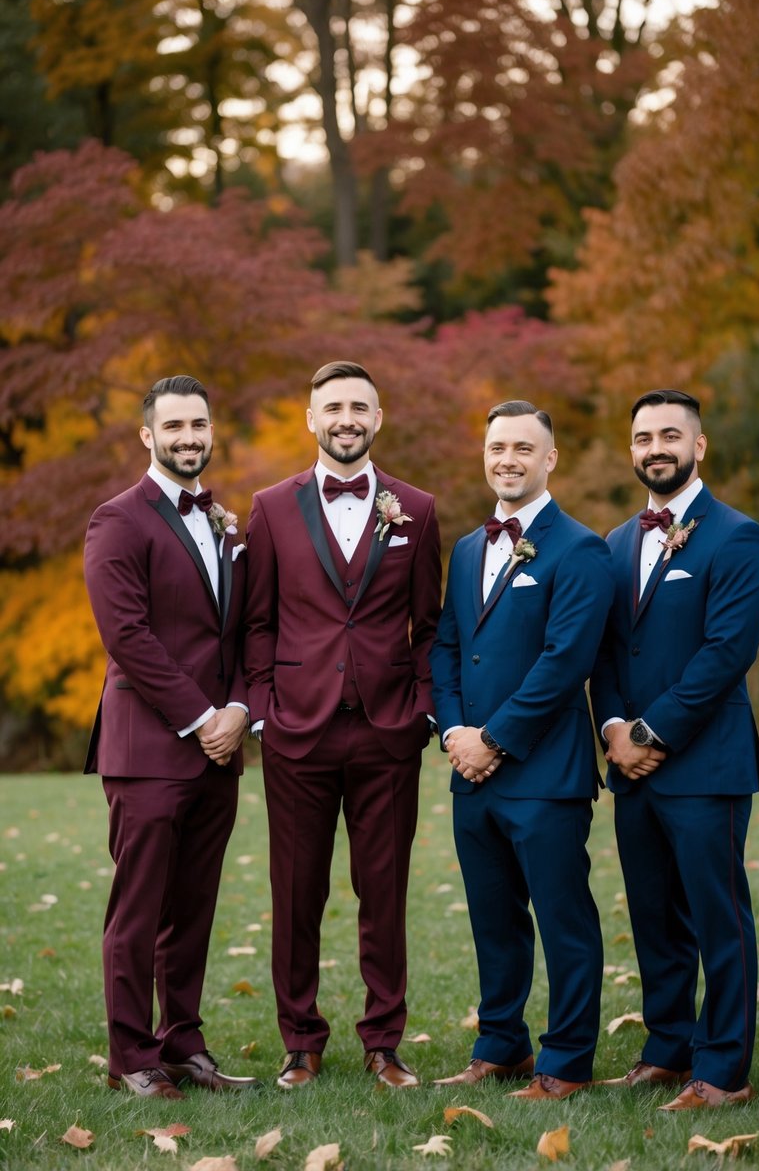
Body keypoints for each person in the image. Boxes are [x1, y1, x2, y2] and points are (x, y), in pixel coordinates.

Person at [244, 361, 442, 1090]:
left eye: (359, 406)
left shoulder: (416, 509)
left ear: (378, 418)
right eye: (333, 407)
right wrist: (263, 711)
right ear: (311, 418)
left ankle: (383, 1042)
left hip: (389, 732)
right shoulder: (269, 507)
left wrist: (421, 705)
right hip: (296, 733)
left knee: (383, 892)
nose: (346, 418)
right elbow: (257, 622)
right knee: (295, 891)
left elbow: (430, 624)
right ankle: (300, 1042)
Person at [590, 388, 759, 1111]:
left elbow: (726, 653)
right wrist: (610, 728)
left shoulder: (737, 536)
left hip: (705, 763)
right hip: (629, 769)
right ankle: (667, 1046)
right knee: (653, 916)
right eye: (642, 437)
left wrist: (647, 732)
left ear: (698, 446)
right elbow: (602, 652)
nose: (654, 447)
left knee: (715, 916)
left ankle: (723, 1068)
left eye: (669, 434)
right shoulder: (612, 543)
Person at [430, 400, 614, 1101]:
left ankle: (565, 1060)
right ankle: (499, 1043)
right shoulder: (468, 548)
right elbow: (446, 647)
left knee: (564, 920)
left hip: (544, 775)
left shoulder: (579, 548)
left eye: (521, 449)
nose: (505, 459)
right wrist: (453, 734)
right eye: (496, 448)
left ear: (549, 460)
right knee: (492, 919)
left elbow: (565, 663)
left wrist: (495, 741)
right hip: (469, 776)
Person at [83, 375, 257, 1099]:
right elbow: (127, 635)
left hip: (218, 753)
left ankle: (183, 1044)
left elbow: (244, 630)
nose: (189, 437)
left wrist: (240, 711)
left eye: (199, 425)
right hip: (150, 747)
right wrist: (201, 717)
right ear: (148, 436)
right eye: (174, 426)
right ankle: (132, 1057)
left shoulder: (225, 521)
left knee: (193, 907)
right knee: (140, 909)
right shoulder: (116, 520)